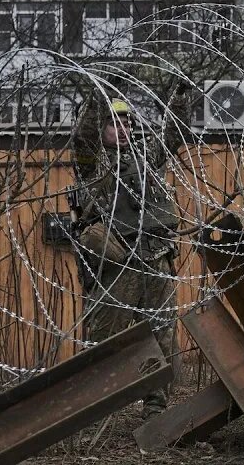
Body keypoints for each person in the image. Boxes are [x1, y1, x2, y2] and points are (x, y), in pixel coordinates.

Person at [72, 92, 188, 419]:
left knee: (162, 336)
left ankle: (156, 409)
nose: (122, 127)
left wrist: (179, 95)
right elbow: (84, 136)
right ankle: (90, 412)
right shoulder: (92, 161)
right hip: (118, 263)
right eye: (113, 122)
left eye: (126, 121)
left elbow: (173, 133)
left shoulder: (144, 155)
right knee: (105, 340)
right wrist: (98, 92)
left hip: (155, 255)